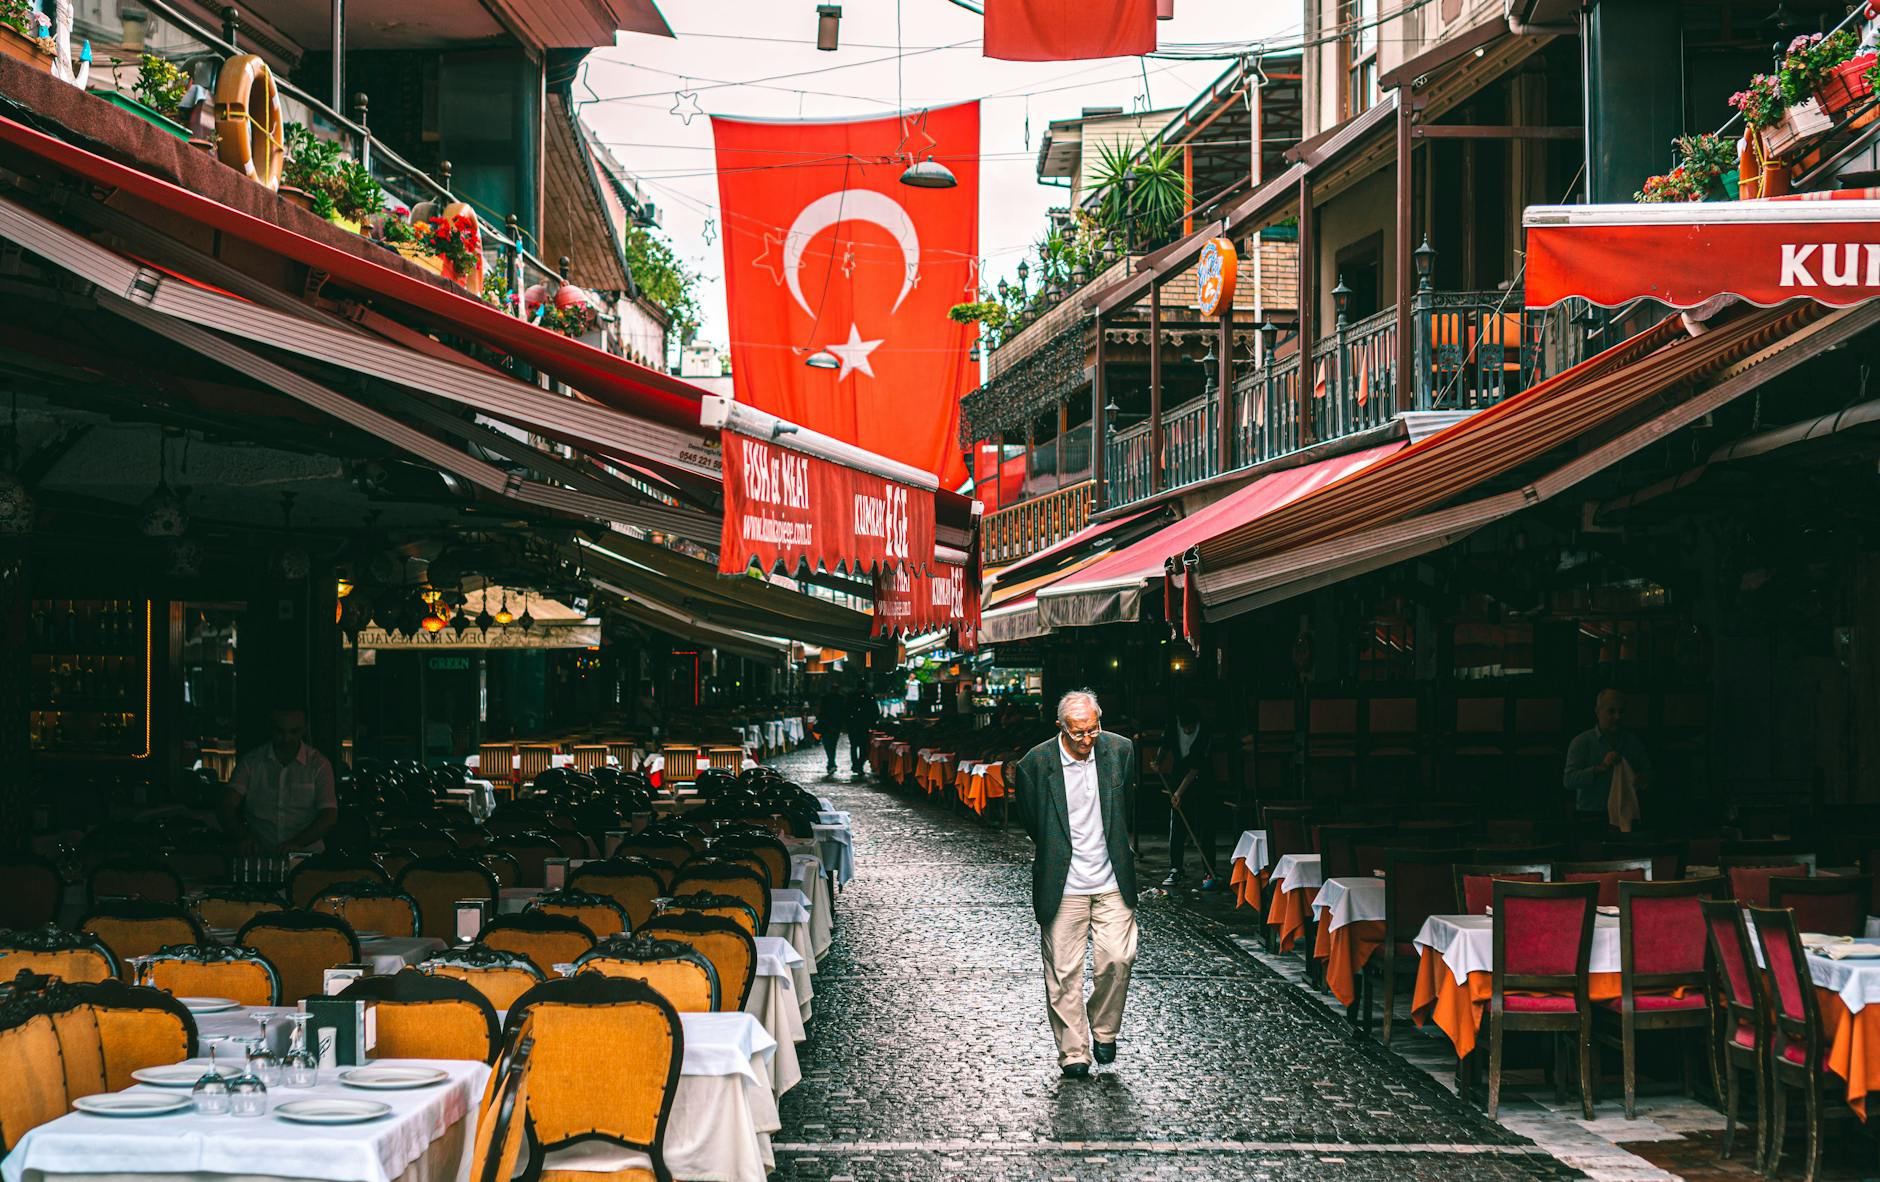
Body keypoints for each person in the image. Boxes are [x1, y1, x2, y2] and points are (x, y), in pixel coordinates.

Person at [1010, 689, 1139, 1078]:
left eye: (1093, 730)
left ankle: (1103, 1030)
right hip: (1062, 883)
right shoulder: (1035, 764)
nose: (1087, 740)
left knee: (1118, 958)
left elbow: (1129, 810)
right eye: (1078, 733)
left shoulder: (1120, 751)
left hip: (1111, 878)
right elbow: (1033, 823)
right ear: (1061, 728)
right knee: (1064, 973)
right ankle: (1074, 1053)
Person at [219, 704, 338, 854]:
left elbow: (329, 815)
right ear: (271, 728)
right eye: (280, 731)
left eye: (294, 731)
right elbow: (227, 805)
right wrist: (242, 836)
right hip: (261, 856)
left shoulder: (319, 765)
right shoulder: (251, 762)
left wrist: (297, 843)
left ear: (305, 729)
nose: (286, 738)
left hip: (307, 858)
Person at [1563, 688, 1651, 830]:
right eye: (1611, 711)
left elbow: (1649, 775)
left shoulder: (1633, 743)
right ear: (1598, 712)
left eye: (1621, 712)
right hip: (1591, 817)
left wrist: (1642, 780)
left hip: (1626, 818)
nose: (1617, 717)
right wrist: (1600, 769)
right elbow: (1569, 780)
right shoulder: (1581, 743)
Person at [1161, 703, 1221, 890]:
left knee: (1206, 826)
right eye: (1185, 727)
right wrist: (1158, 760)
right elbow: (1165, 745)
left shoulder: (1205, 732)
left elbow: (1196, 767)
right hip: (1178, 776)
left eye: (1191, 727)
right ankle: (1175, 868)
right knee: (1177, 824)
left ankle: (1209, 871)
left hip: (1203, 781)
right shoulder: (1173, 726)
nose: (1188, 730)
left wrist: (1179, 792)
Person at [845, 684, 878, 776]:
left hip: (856, 725)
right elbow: (874, 711)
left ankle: (857, 765)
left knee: (855, 746)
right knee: (861, 747)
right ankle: (858, 765)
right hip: (862, 725)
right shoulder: (867, 696)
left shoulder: (853, 696)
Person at [818, 684, 847, 777]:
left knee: (828, 744)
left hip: (826, 724)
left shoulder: (825, 698)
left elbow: (821, 711)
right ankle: (831, 762)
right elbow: (843, 711)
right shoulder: (841, 698)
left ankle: (831, 763)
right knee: (832, 744)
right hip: (835, 725)